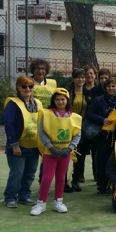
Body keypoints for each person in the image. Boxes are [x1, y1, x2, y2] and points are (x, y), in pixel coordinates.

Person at [31, 88, 82, 216]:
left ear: (67, 100)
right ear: (54, 100)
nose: (60, 102)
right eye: (58, 99)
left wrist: (70, 149)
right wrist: (50, 147)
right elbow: (42, 132)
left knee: (61, 177)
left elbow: (77, 134)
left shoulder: (74, 117)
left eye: (63, 99)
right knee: (47, 178)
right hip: (50, 152)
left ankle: (58, 201)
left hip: (65, 153)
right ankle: (41, 203)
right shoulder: (46, 113)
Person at [3, 76, 42, 208]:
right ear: (18, 88)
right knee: (17, 173)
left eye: (30, 86)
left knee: (30, 173)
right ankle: (10, 197)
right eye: (24, 86)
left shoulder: (37, 103)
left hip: (34, 146)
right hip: (18, 146)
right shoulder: (13, 104)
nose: (27, 89)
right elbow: (9, 125)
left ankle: (24, 195)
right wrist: (14, 144)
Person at [85, 77, 116, 195]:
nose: (111, 88)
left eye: (113, 86)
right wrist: (102, 120)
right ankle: (101, 185)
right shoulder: (98, 100)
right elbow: (89, 113)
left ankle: (113, 184)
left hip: (115, 135)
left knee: (114, 161)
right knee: (102, 161)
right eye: (109, 86)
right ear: (105, 87)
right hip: (102, 135)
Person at [67, 68, 93, 192]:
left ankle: (76, 180)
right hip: (68, 126)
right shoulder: (68, 93)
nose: (81, 79)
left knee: (79, 155)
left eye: (83, 77)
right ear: (73, 78)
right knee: (66, 154)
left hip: (82, 127)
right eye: (78, 77)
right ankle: (63, 181)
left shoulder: (87, 94)